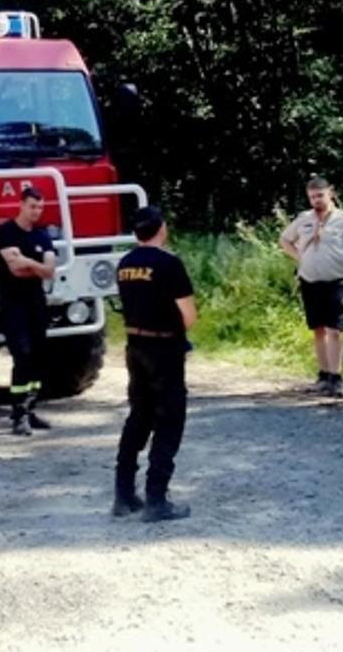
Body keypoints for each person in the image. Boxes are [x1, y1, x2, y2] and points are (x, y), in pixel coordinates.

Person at [113, 206, 200, 523]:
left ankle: (123, 495)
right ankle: (156, 499)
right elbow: (188, 317)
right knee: (169, 420)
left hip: (135, 346)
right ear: (161, 228)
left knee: (139, 416)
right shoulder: (169, 264)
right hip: (165, 349)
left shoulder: (125, 264)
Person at [279, 176, 343, 398]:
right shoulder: (304, 219)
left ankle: (336, 377)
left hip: (334, 281)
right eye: (312, 197)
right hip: (309, 281)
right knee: (318, 330)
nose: (317, 201)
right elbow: (285, 240)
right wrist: (299, 257)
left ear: (330, 193)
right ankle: (323, 376)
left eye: (320, 195)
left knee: (335, 330)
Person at [0, 187, 58, 436]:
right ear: (21, 205)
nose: (36, 212)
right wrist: (37, 265)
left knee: (39, 358)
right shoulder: (5, 232)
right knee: (22, 356)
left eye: (40, 208)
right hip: (13, 304)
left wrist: (29, 262)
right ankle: (18, 415)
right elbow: (15, 270)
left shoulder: (42, 235)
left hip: (36, 302)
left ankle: (31, 409)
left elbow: (50, 271)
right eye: (32, 206)